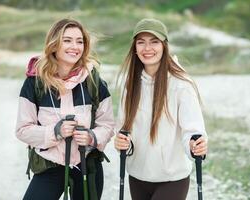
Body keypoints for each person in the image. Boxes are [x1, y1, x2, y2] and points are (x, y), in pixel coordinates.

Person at [16, 18, 115, 200]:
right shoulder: (34, 82)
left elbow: (107, 126)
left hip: (87, 164)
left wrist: (92, 137)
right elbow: (23, 130)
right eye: (67, 40)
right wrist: (55, 131)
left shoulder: (94, 81)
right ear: (54, 44)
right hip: (49, 165)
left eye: (80, 41)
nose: (75, 46)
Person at [114, 18, 208, 200]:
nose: (147, 48)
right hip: (138, 176)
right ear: (135, 48)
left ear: (164, 45)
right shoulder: (130, 84)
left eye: (154, 41)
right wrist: (122, 142)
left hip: (172, 179)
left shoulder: (182, 85)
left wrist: (195, 145)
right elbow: (124, 129)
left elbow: (193, 130)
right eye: (141, 42)